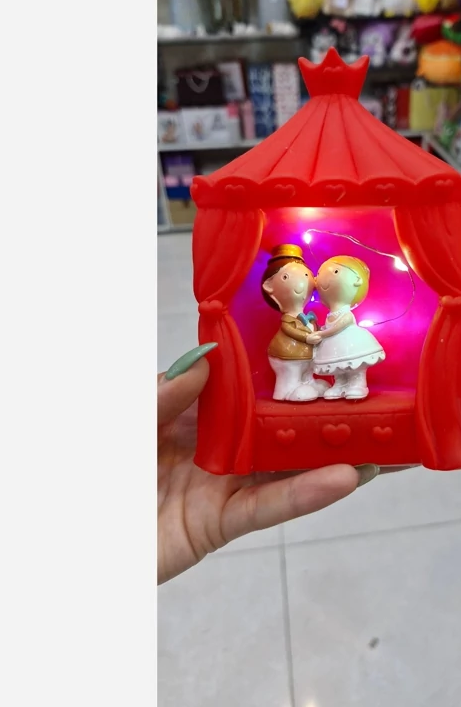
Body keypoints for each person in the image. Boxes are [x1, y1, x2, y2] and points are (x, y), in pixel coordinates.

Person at [158, 343, 379, 584]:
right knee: (303, 368)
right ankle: (298, 387)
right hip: (290, 355)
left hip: (306, 356)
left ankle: (329, 384)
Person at [308, 255, 385, 400]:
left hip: (350, 342)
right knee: (337, 366)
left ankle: (357, 384)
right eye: (319, 274)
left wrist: (323, 334)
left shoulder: (346, 314)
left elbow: (338, 326)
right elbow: (329, 327)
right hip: (333, 344)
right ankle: (340, 384)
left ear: (357, 281)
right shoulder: (330, 314)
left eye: (335, 272)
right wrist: (319, 330)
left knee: (354, 365)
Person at [260, 244, 328, 402]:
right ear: (269, 286)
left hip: (306, 355)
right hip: (287, 354)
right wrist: (307, 338)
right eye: (286, 277)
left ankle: (308, 382)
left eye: (306, 275)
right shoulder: (288, 319)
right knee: (291, 372)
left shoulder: (309, 317)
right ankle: (287, 389)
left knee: (306, 369)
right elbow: (289, 329)